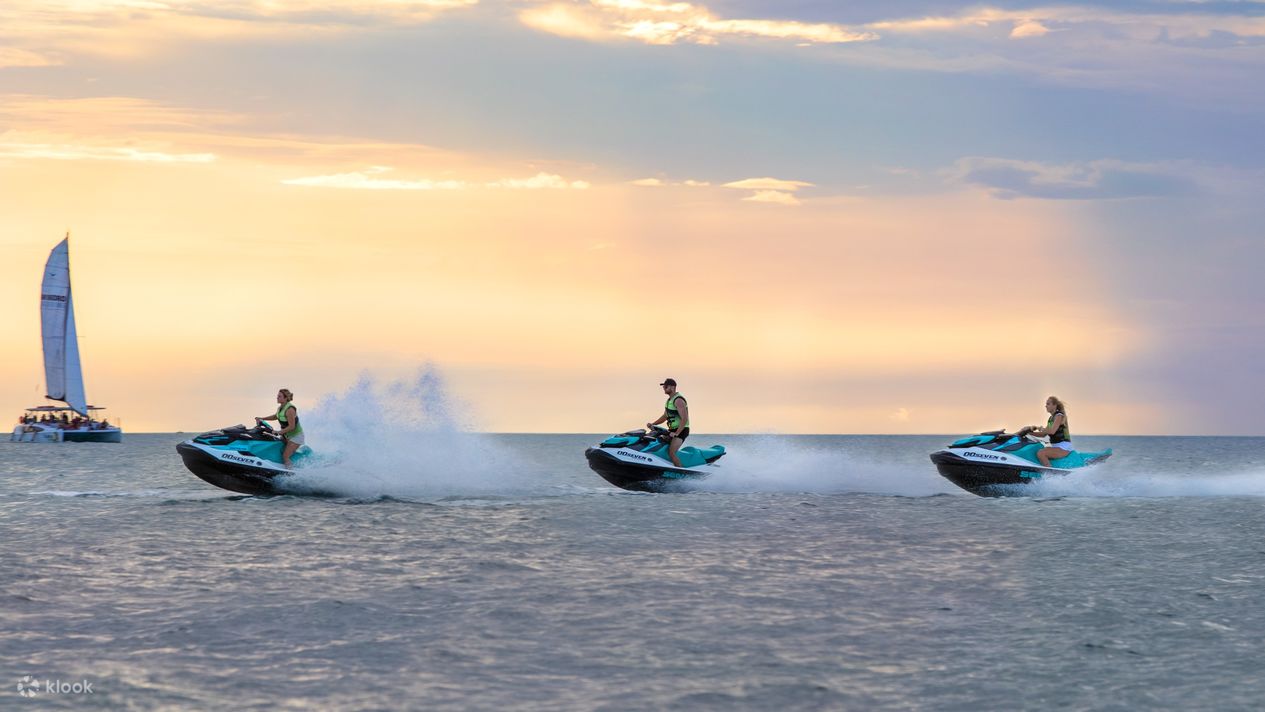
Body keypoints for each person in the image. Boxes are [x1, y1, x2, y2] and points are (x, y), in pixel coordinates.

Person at [256, 388, 304, 468]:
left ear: (285, 398)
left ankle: (291, 473)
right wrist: (262, 418)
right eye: (277, 396)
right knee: (278, 446)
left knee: (285, 456)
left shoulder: (290, 409)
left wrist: (279, 432)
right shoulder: (280, 407)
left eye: (279, 396)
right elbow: (276, 416)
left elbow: (292, 426)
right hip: (286, 436)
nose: (277, 398)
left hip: (296, 437)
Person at [647, 378, 690, 468]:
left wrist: (677, 433)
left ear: (672, 387)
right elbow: (665, 416)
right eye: (663, 386)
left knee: (671, 452)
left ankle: (681, 472)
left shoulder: (678, 400)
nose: (664, 388)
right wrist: (653, 424)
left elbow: (684, 418)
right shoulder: (669, 400)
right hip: (672, 430)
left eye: (666, 386)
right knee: (657, 443)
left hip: (681, 430)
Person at [1023, 396, 1072, 467]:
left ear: (1054, 405)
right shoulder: (1051, 418)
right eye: (1046, 404)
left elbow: (1052, 431)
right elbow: (1043, 434)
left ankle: (1049, 472)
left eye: (1048, 404)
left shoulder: (1059, 416)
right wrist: (1028, 433)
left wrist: (1042, 429)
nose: (1046, 406)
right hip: (1055, 446)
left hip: (1064, 446)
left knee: (1041, 453)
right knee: (1037, 448)